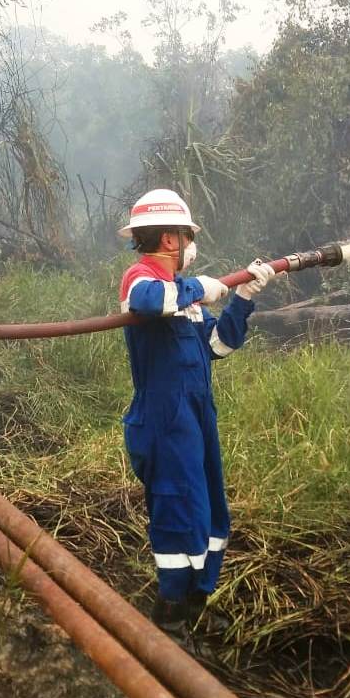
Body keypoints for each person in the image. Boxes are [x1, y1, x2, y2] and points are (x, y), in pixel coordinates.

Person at [117, 189, 278, 644]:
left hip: (197, 418)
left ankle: (195, 604)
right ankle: (169, 619)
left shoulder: (187, 301)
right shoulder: (140, 278)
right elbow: (149, 303)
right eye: (187, 236)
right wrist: (200, 286)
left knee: (210, 513)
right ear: (170, 239)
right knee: (177, 515)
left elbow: (218, 346)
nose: (190, 245)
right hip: (163, 422)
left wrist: (241, 298)